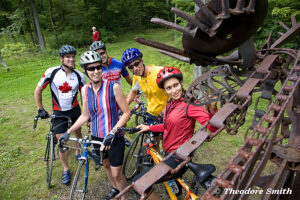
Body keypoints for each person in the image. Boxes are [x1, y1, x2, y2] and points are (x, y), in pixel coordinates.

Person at [135, 67, 218, 199]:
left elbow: (212, 128)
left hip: (179, 157)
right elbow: (167, 126)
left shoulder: (190, 104)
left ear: (181, 83)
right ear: (165, 90)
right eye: (169, 88)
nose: (174, 91)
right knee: (174, 188)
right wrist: (149, 128)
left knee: (138, 185)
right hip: (169, 153)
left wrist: (212, 109)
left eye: (176, 85)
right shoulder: (170, 103)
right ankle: (177, 193)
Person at [59, 51, 130, 200]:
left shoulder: (114, 87)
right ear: (85, 71)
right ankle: (115, 189)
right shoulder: (85, 90)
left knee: (117, 173)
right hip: (97, 136)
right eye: (91, 68)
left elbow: (126, 113)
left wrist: (113, 132)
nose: (96, 71)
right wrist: (68, 132)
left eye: (98, 67)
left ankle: (124, 196)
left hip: (114, 136)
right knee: (105, 164)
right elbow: (85, 115)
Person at [34, 45, 85, 185]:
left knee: (78, 134)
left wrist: (87, 111)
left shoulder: (79, 76)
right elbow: (38, 90)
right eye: (68, 57)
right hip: (59, 112)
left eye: (73, 56)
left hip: (75, 110)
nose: (71, 59)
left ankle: (77, 152)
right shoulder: (52, 72)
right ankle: (66, 169)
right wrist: (40, 109)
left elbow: (84, 95)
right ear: (61, 58)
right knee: (62, 141)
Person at [121, 48, 169, 150]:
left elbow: (175, 91)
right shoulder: (137, 77)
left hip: (167, 113)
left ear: (142, 61)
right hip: (152, 113)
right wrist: (123, 108)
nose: (135, 68)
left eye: (136, 64)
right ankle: (157, 163)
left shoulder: (159, 72)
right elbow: (133, 92)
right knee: (153, 142)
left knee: (168, 142)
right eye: (130, 67)